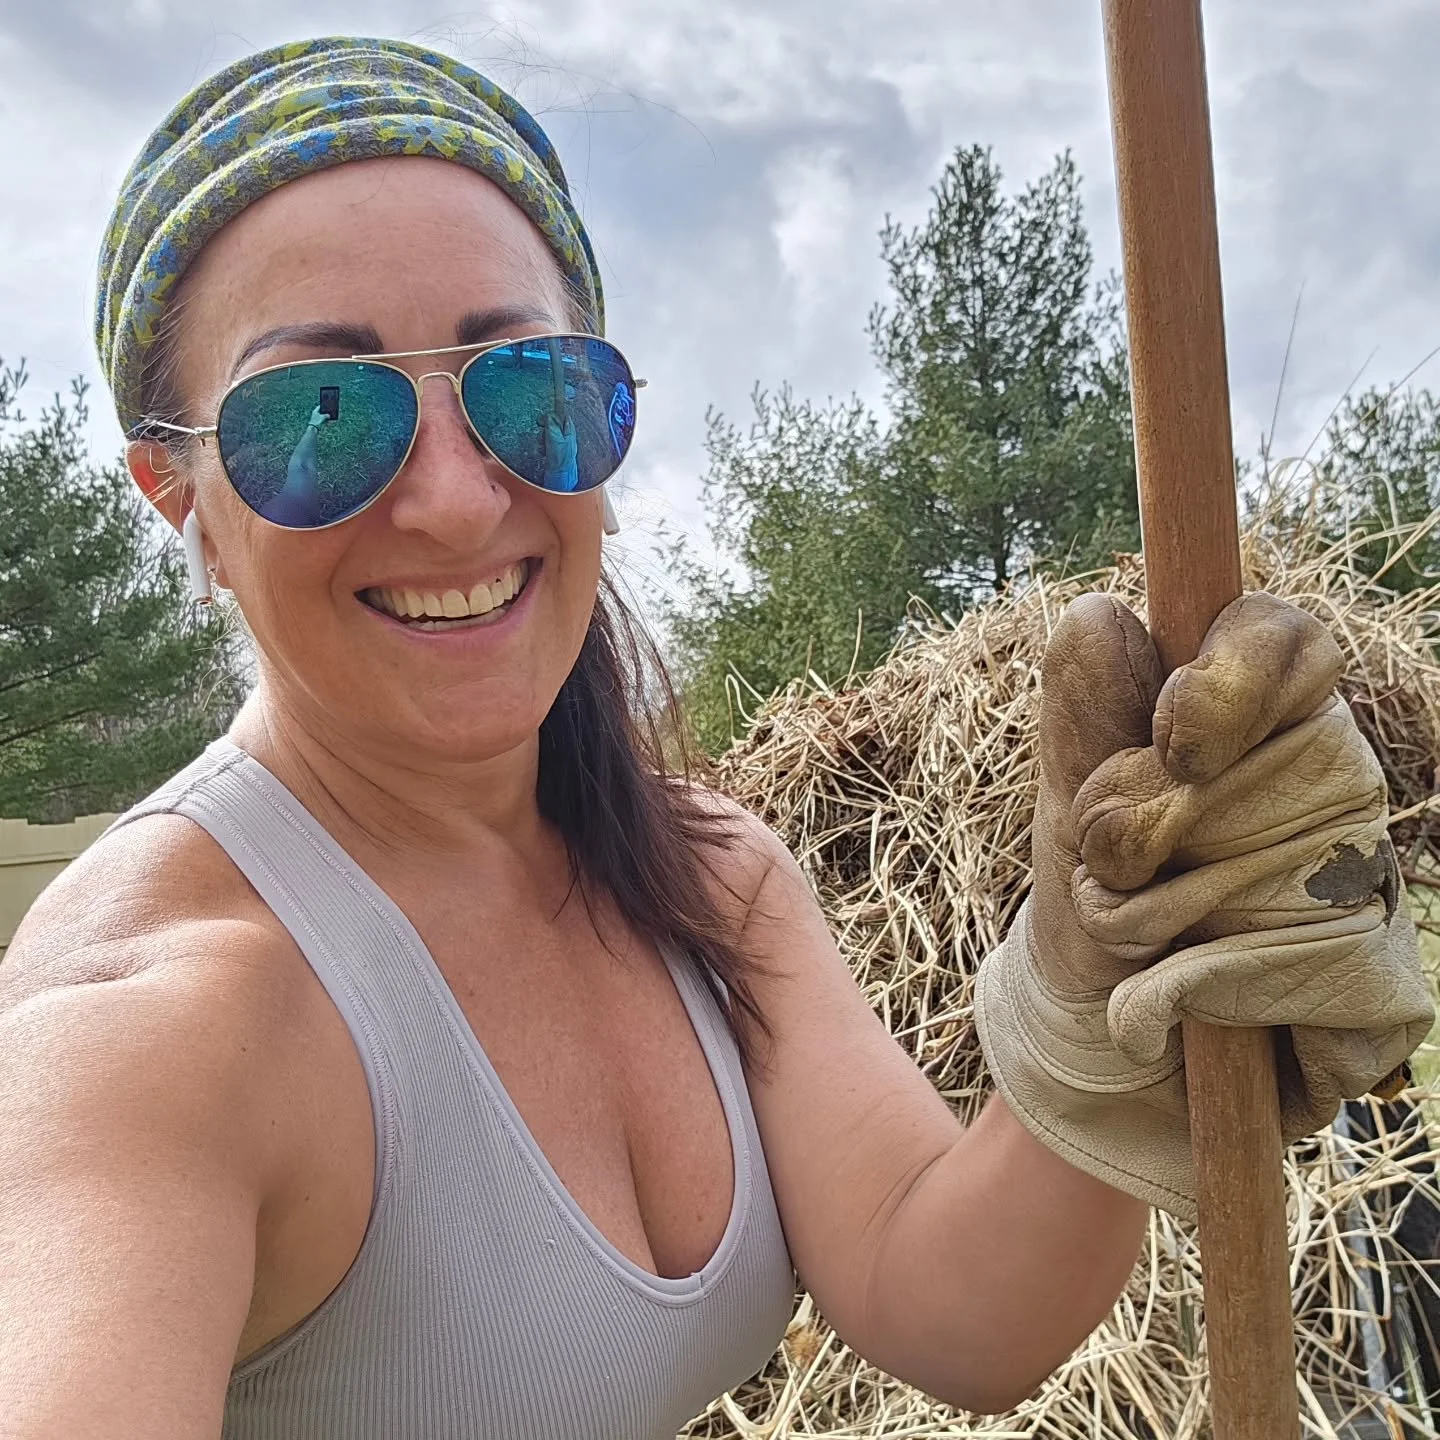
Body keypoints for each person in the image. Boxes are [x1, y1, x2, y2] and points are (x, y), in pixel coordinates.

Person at [0, 37, 1430, 1440]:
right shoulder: (152, 1025)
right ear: (175, 493)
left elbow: (948, 1308)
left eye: (524, 390)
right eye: (319, 416)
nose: (450, 499)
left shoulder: (706, 875)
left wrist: (1094, 1015)